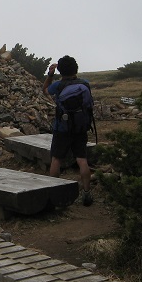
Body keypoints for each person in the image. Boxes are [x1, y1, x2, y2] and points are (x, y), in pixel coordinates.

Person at [42, 55, 93, 206]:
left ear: (60, 71)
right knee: (82, 159)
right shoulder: (85, 83)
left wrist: (50, 74)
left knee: (56, 159)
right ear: (76, 68)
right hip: (81, 127)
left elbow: (45, 90)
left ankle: (55, 195)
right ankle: (87, 193)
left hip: (62, 128)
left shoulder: (58, 86)